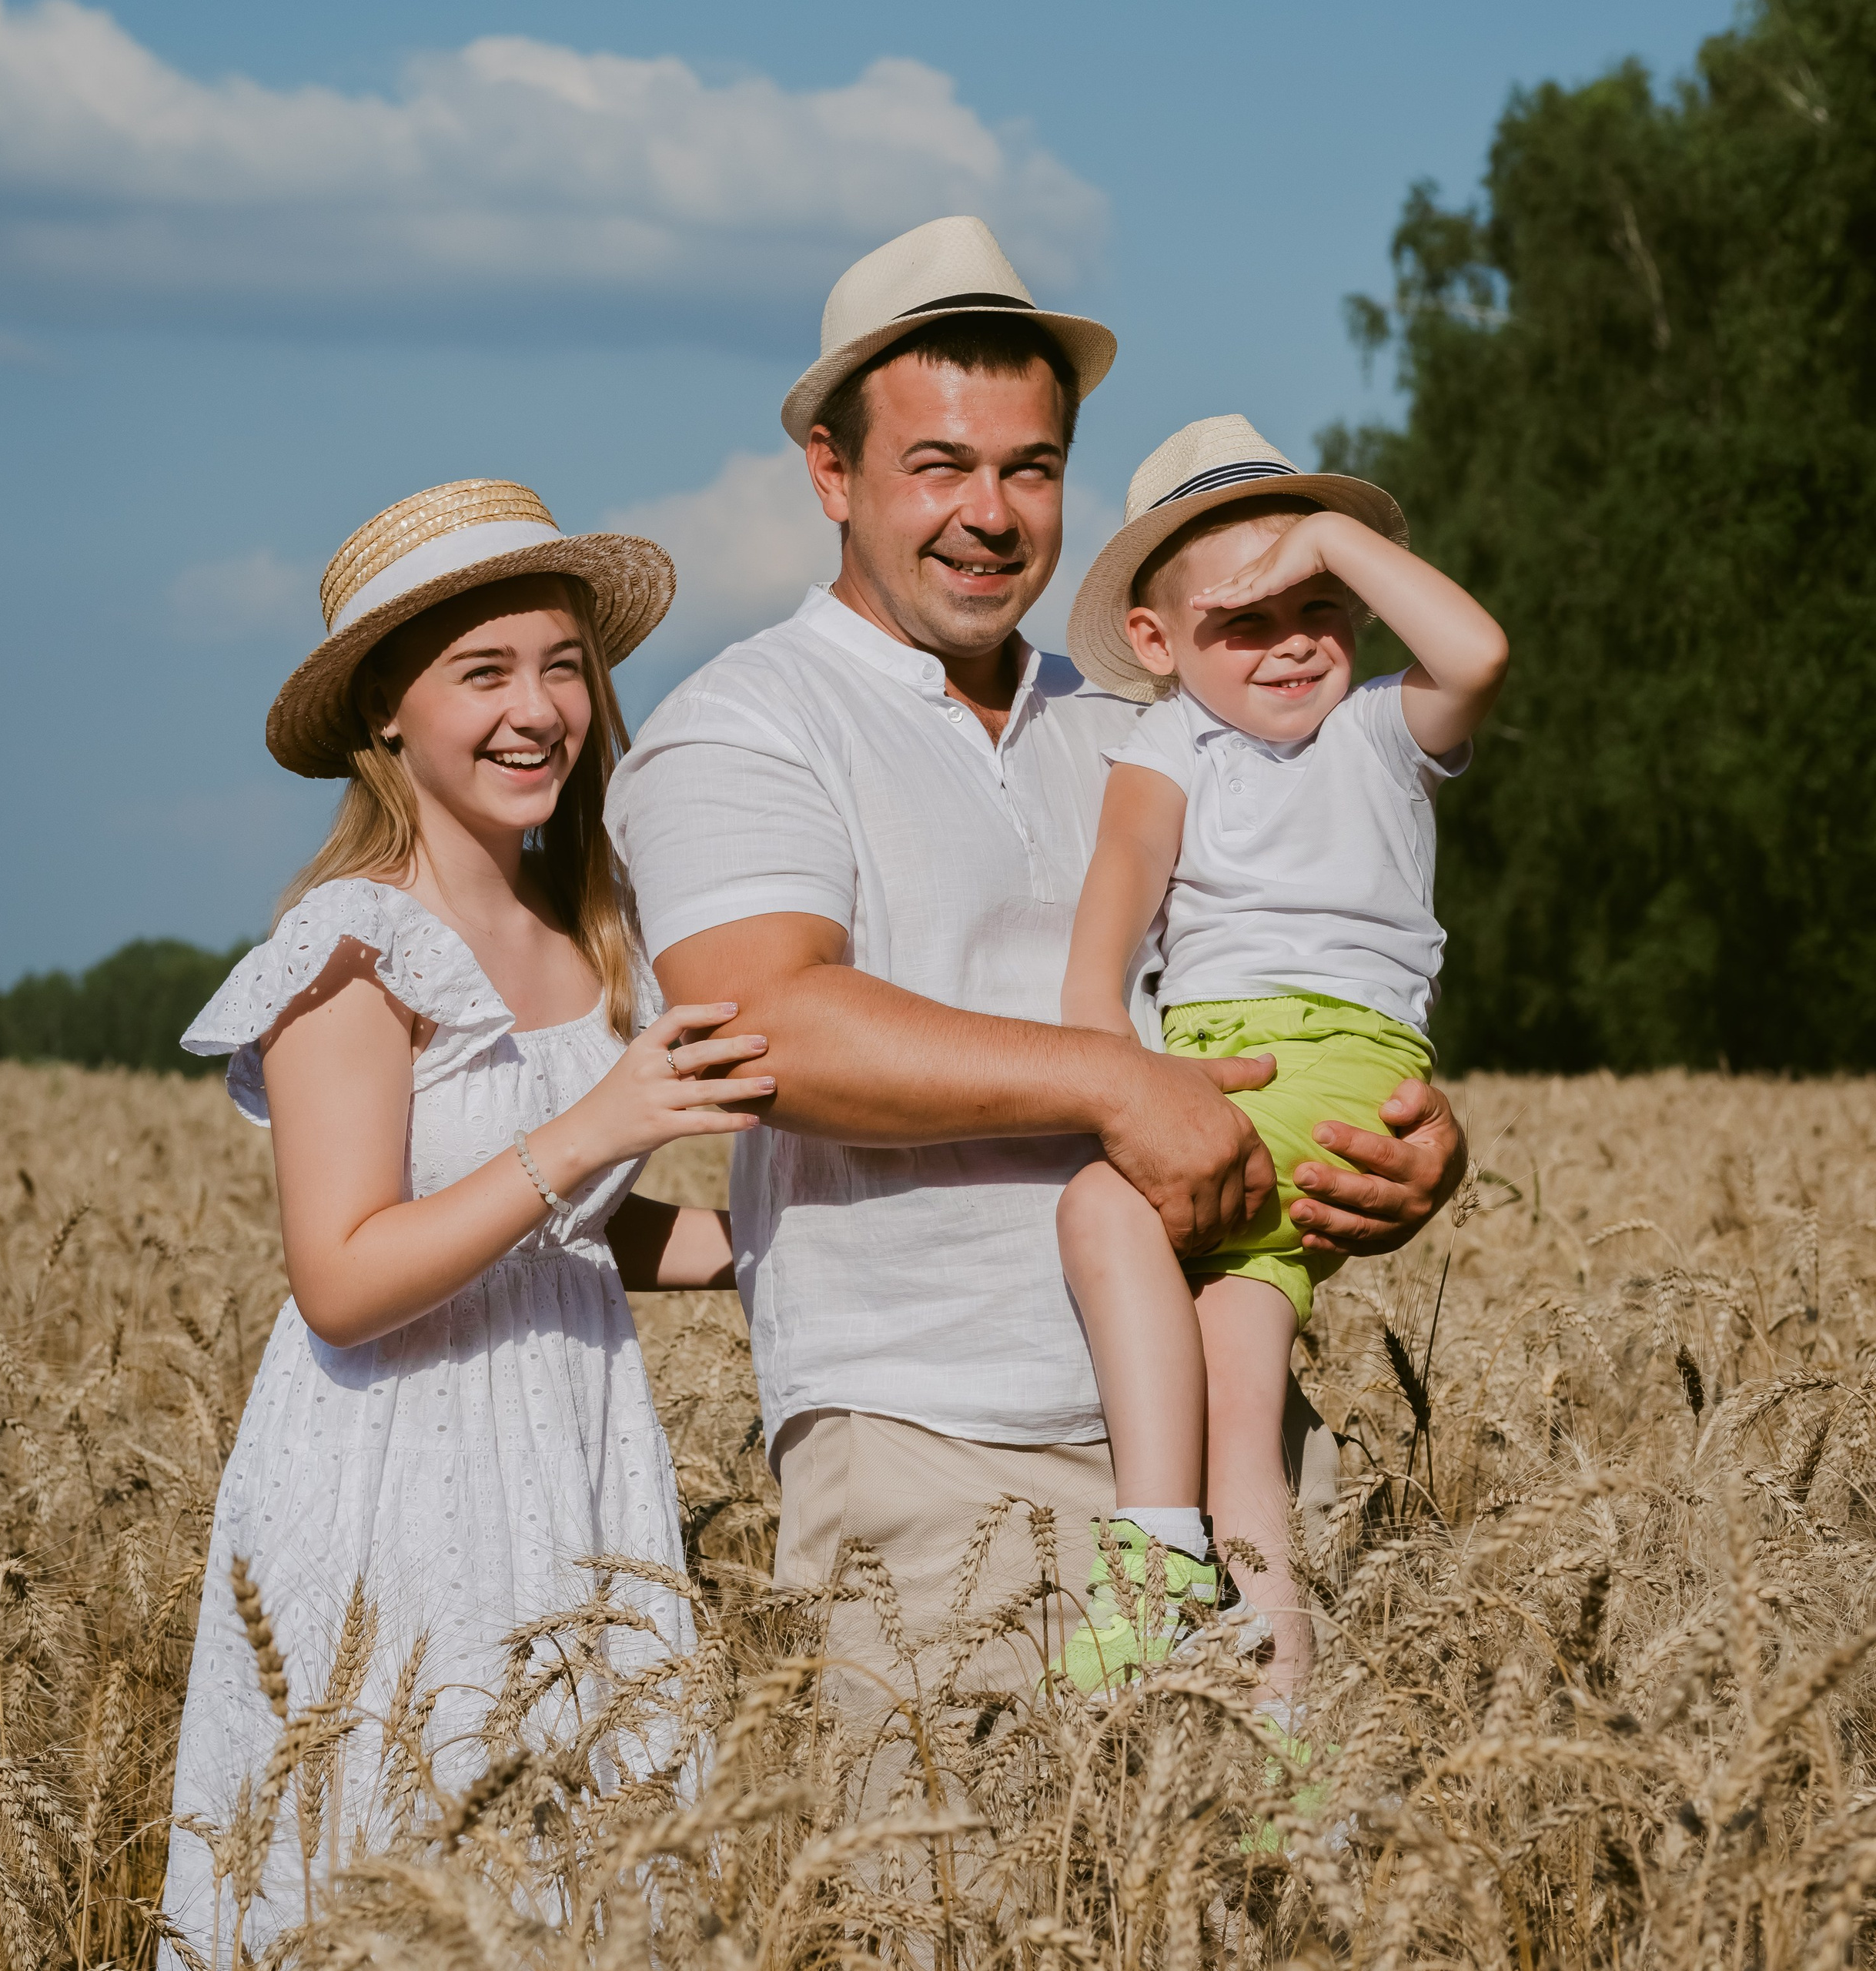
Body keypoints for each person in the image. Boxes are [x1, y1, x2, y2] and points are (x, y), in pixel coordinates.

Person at [606, 219, 1466, 1700]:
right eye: (939, 464)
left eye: (1031, 468)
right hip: (940, 1462)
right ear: (831, 470)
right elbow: (770, 1027)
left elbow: (1301, 956)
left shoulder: (1146, 722)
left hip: (1223, 1440)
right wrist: (1119, 1086)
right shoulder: (747, 723)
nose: (990, 513)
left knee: (1280, 1904)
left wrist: (1400, 1145)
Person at [160, 481, 773, 1964]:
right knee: (405, 1869)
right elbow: (347, 1277)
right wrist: (597, 1129)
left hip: (572, 1440)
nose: (539, 709)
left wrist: (764, 1259)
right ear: (384, 713)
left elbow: (558, 1226)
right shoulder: (352, 950)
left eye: (564, 666)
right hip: (396, 1468)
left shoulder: (591, 923)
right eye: (482, 673)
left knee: (584, 1872)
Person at [1053, 416, 1508, 1701]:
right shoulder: (1167, 747)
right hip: (1207, 1065)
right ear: (1156, 644)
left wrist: (1327, 535)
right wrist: (1113, 1062)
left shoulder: (1380, 733)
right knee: (1234, 1402)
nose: (1294, 638)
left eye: (1320, 604)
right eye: (1241, 621)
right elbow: (1118, 907)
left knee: (1101, 1203)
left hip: (1333, 1059)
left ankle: (1146, 1578)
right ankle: (1287, 1741)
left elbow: (1480, 647)